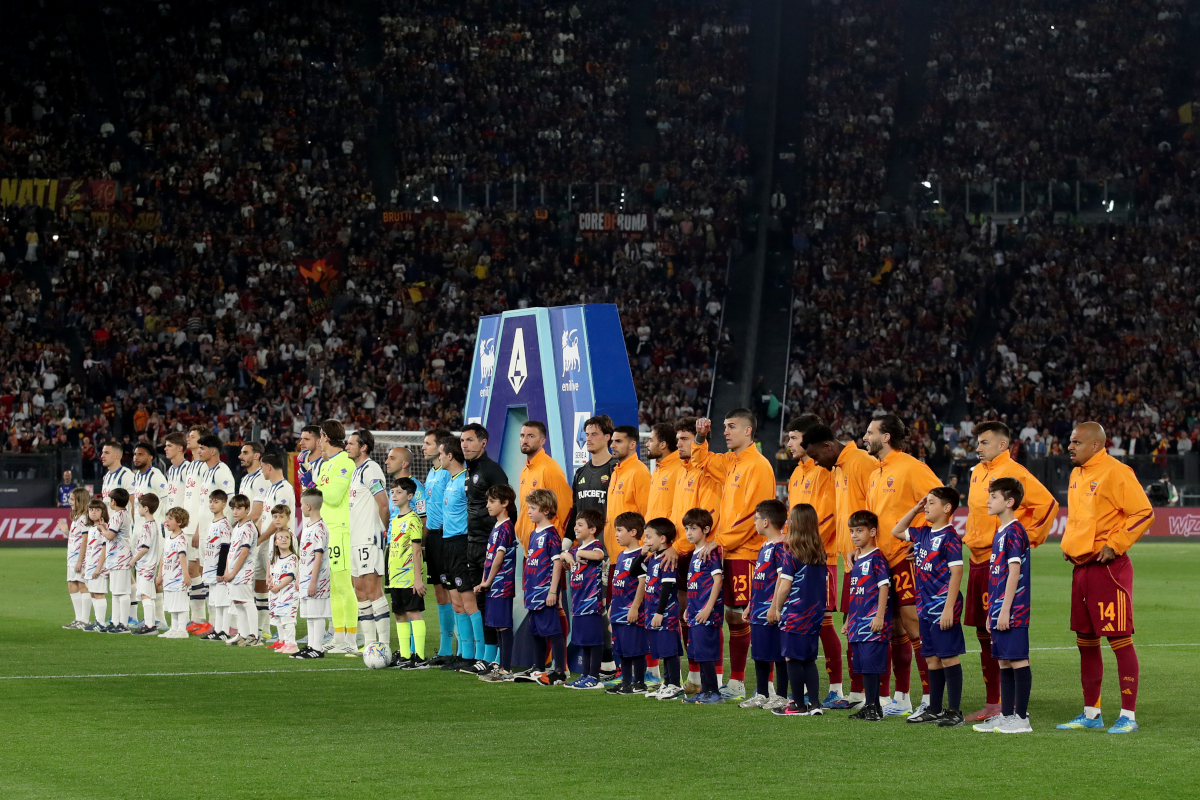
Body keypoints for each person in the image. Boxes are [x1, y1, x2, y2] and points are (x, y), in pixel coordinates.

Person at [1056, 422, 1154, 735]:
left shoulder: (1116, 472)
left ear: (1096, 445)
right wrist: (1070, 544)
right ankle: (1091, 712)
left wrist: (1117, 543)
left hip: (1108, 569)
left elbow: (1143, 512)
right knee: (1085, 642)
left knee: (1119, 640)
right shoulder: (1076, 474)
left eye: (1076, 442)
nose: (1069, 446)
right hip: (1081, 568)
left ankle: (1128, 715)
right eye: (1070, 441)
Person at [963, 421, 1058, 722]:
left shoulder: (1015, 473)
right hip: (977, 560)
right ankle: (995, 704)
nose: (978, 447)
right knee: (983, 631)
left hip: (998, 562)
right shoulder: (977, 473)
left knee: (998, 631)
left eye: (985, 442)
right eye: (977, 442)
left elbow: (1048, 505)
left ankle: (1006, 706)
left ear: (1002, 445)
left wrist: (1022, 540)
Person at [693, 411, 776, 702]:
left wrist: (719, 541)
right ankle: (738, 682)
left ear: (748, 430)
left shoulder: (759, 466)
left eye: (731, 427)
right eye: (724, 427)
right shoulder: (731, 462)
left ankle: (769, 687)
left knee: (753, 617)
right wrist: (702, 437)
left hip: (747, 552)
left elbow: (755, 513)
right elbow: (701, 461)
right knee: (733, 616)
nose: (725, 432)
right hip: (729, 551)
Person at [863, 414, 941, 717]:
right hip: (881, 562)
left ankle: (930, 697)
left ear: (886, 437)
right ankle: (903, 696)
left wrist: (921, 540)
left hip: (905, 559)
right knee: (894, 630)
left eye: (870, 432)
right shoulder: (875, 473)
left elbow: (939, 500)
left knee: (914, 627)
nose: (865, 437)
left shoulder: (910, 467)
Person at [802, 423, 877, 710]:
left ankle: (886, 696)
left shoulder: (860, 462)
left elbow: (876, 507)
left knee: (879, 629)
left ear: (828, 447)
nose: (814, 462)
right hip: (852, 561)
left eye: (815, 455)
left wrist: (869, 550)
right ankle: (858, 694)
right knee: (854, 629)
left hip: (869, 560)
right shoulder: (838, 468)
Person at [891, 488, 967, 727]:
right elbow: (896, 531)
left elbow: (957, 572)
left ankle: (954, 711)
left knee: (948, 657)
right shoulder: (922, 533)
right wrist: (915, 508)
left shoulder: (950, 537)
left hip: (943, 606)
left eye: (931, 503)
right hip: (924, 606)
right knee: (932, 658)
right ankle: (934, 708)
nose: (925, 506)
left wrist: (948, 608)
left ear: (946, 508)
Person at [784, 413, 843, 707]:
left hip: (821, 559)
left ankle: (836, 689)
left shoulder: (824, 473)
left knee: (823, 622)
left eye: (794, 437)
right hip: (799, 556)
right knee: (807, 623)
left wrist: (805, 547)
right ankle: (809, 687)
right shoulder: (797, 474)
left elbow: (830, 518)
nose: (789, 443)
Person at [972, 477, 1033, 734]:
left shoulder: (1015, 531)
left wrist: (1006, 608)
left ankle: (1021, 719)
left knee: (1018, 661)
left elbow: (1014, 571)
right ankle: (1006, 715)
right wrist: (992, 611)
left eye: (994, 496)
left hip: (1014, 608)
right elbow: (997, 575)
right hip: (999, 608)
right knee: (1004, 662)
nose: (988, 500)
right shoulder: (1000, 531)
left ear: (1009, 502)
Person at [670, 416, 723, 694]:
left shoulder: (708, 472)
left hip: (698, 553)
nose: (678, 444)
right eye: (678, 439)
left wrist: (679, 548)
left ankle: (719, 677)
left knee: (710, 615)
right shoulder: (683, 470)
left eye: (685, 439)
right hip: (679, 550)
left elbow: (707, 518)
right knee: (686, 614)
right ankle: (694, 676)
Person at [769, 502, 829, 716]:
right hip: (814, 614)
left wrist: (776, 608)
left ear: (795, 523)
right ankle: (815, 703)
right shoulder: (819, 553)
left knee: (792, 659)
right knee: (809, 659)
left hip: (794, 613)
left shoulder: (791, 553)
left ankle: (797, 704)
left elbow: (784, 586)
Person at [460, 423, 508, 669]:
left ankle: (498, 657)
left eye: (469, 440)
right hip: (473, 542)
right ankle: (486, 655)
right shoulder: (470, 470)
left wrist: (500, 538)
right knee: (480, 600)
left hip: (491, 543)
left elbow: (506, 504)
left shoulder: (492, 470)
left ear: (483, 442)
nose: (465, 445)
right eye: (463, 441)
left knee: (494, 600)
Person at [438, 434, 485, 674]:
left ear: (449, 455)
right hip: (447, 544)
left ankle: (478, 655)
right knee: (456, 602)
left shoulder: (466, 480)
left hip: (461, 544)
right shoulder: (449, 479)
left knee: (469, 601)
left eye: (440, 453)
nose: (438, 457)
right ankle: (464, 654)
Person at [739, 499, 788, 710]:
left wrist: (774, 606)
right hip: (758, 608)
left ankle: (782, 695)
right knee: (759, 653)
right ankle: (761, 693)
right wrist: (751, 604)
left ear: (766, 522)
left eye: (756, 518)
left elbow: (781, 579)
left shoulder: (780, 547)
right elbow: (760, 579)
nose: (754, 522)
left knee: (777, 654)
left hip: (771, 611)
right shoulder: (764, 547)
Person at [842, 510, 891, 722]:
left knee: (872, 666)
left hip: (872, 621)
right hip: (857, 622)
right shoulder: (857, 559)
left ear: (872, 532)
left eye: (859, 530)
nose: (854, 535)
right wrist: (847, 620)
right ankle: (871, 706)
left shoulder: (877, 558)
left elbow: (884, 587)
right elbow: (855, 593)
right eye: (852, 531)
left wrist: (879, 616)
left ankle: (873, 706)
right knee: (861, 666)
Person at [515, 488, 567, 686]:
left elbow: (556, 563)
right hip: (533, 592)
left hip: (545, 592)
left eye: (533, 508)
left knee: (553, 632)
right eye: (529, 507)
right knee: (535, 631)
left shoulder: (551, 534)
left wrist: (553, 590)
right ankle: (538, 668)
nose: (528, 511)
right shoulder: (533, 533)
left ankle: (560, 671)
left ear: (545, 510)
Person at [345, 430, 390, 650]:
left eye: (351, 443)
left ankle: (384, 645)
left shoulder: (371, 469)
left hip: (368, 539)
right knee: (360, 592)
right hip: (356, 539)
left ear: (363, 447)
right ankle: (371, 645)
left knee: (373, 590)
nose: (347, 446)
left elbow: (383, 503)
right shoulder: (356, 472)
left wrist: (381, 532)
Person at [316, 420, 356, 654]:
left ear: (326, 437)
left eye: (320, 436)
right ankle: (339, 637)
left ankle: (351, 641)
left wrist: (316, 485)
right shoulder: (325, 464)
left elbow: (331, 497)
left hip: (340, 530)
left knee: (343, 585)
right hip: (327, 530)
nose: (319, 441)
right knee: (333, 587)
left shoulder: (344, 463)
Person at [191, 434, 235, 636]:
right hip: (208, 533)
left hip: (219, 536)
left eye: (202, 448)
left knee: (220, 579)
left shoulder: (222, 472)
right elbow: (204, 506)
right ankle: (215, 626)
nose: (198, 451)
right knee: (210, 578)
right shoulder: (206, 472)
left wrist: (224, 529)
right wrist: (200, 529)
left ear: (213, 451)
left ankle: (225, 626)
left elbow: (229, 503)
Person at [681, 508, 725, 705]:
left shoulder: (710, 553)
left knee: (706, 654)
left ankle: (714, 693)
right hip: (695, 612)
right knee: (699, 652)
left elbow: (717, 581)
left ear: (706, 529)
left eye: (693, 528)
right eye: (686, 528)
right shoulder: (695, 553)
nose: (688, 532)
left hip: (707, 613)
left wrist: (708, 608)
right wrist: (689, 607)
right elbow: (695, 584)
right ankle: (705, 691)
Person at [478, 484, 519, 682]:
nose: (488, 505)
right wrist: (484, 581)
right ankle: (501, 667)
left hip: (502, 584)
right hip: (494, 583)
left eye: (492, 501)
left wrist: (488, 581)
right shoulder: (497, 526)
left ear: (505, 504)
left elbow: (499, 557)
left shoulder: (506, 527)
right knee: (498, 626)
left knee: (503, 626)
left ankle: (506, 669)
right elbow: (490, 557)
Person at [421, 428, 456, 665]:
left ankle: (459, 646)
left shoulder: (446, 474)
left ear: (440, 446)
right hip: (433, 537)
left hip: (446, 536)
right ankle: (445, 648)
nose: (423, 447)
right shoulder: (431, 473)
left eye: (427, 443)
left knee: (453, 591)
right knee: (439, 591)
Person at [605, 510, 648, 695]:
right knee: (621, 649)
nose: (616, 534)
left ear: (633, 532)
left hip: (631, 611)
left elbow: (642, 582)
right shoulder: (621, 555)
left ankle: (639, 683)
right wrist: (612, 606)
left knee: (635, 649)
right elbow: (617, 583)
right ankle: (625, 681)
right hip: (618, 610)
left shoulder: (641, 555)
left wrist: (635, 607)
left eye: (619, 530)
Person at [642, 517, 684, 700]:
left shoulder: (668, 558)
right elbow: (635, 571)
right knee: (661, 650)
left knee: (669, 650)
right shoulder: (653, 558)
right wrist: (643, 553)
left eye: (649, 537)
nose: (645, 541)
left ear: (663, 538)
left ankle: (674, 685)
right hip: (653, 611)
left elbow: (667, 587)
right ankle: (666, 684)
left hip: (665, 612)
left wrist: (660, 612)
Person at [255, 452, 296, 642]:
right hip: (270, 543)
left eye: (262, 466)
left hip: (282, 545)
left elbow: (279, 521)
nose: (261, 470)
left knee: (283, 588)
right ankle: (266, 628)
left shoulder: (284, 490)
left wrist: (261, 538)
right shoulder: (271, 489)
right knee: (267, 584)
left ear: (269, 467)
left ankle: (285, 634)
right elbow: (266, 518)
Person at [386, 480, 427, 669]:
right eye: (392, 492)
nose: (394, 495)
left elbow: (417, 551)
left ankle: (419, 657)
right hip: (395, 576)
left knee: (413, 612)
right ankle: (404, 655)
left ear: (409, 496)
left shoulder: (413, 519)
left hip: (409, 576)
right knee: (399, 614)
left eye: (399, 492)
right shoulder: (395, 520)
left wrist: (418, 579)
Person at [565, 508, 607, 690]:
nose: (575, 528)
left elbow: (598, 556)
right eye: (575, 524)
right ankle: (585, 674)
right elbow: (562, 554)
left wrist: (578, 554)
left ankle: (594, 677)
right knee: (583, 641)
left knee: (593, 641)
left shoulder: (594, 546)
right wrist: (569, 554)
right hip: (578, 602)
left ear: (592, 529)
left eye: (580, 525)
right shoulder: (577, 549)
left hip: (591, 603)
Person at [515, 420, 574, 549]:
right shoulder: (525, 470)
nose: (525, 440)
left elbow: (566, 509)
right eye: (522, 436)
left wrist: (568, 547)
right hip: (529, 548)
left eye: (531, 436)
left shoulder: (550, 469)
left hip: (548, 550)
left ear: (542, 441)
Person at [563, 415, 615, 552]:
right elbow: (575, 510)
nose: (589, 439)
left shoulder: (617, 469)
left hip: (610, 548)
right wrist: (566, 543)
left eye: (594, 434)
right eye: (587, 434)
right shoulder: (580, 472)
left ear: (607, 437)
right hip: (584, 549)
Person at [131, 442, 169, 630]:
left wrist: (165, 526)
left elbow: (166, 501)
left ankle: (159, 619)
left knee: (153, 576)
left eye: (140, 454)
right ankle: (151, 618)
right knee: (142, 574)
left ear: (150, 457)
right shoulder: (137, 476)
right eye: (135, 454)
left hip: (154, 533)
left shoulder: (156, 476)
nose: (136, 457)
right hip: (139, 530)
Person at [237, 442, 271, 643]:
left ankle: (261, 628)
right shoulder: (245, 479)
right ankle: (259, 628)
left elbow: (256, 513)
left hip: (259, 537)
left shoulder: (261, 479)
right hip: (249, 536)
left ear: (257, 455)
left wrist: (240, 532)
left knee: (261, 582)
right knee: (256, 583)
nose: (241, 456)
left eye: (245, 452)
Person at [293, 488, 333, 659]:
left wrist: (312, 581)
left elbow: (318, 556)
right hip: (306, 577)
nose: (300, 507)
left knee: (316, 614)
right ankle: (311, 646)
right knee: (309, 614)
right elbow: (304, 555)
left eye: (301, 504)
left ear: (308, 506)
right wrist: (300, 577)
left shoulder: (319, 528)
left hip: (316, 579)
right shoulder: (309, 526)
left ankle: (318, 648)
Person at [100, 441, 135, 627]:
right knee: (118, 582)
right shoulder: (107, 477)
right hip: (110, 531)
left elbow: (133, 503)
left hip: (120, 535)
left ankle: (128, 617)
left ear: (117, 455)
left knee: (125, 581)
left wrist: (134, 528)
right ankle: (117, 619)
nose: (102, 456)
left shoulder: (127, 475)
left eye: (106, 452)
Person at [221, 494, 259, 646]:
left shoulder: (248, 528)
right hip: (234, 571)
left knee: (247, 601)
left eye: (239, 508)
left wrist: (232, 572)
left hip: (243, 571)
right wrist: (226, 570)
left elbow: (244, 553)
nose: (235, 512)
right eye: (232, 508)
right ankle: (242, 634)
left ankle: (255, 636)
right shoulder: (237, 526)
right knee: (237, 602)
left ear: (247, 509)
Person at [200, 489, 233, 641]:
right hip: (210, 568)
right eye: (211, 501)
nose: (212, 504)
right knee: (215, 602)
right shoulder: (212, 523)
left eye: (216, 502)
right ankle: (217, 629)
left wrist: (221, 571)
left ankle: (224, 631)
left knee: (222, 602)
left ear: (224, 504)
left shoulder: (224, 524)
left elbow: (225, 548)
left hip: (219, 569)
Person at [99, 488, 134, 634]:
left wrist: (102, 529)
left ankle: (123, 624)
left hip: (120, 557)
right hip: (117, 558)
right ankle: (115, 621)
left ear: (113, 501)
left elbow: (110, 535)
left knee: (122, 592)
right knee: (115, 591)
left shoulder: (117, 516)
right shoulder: (124, 514)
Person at [130, 494, 163, 635]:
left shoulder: (147, 527)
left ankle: (150, 626)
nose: (137, 508)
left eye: (139, 506)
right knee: (147, 594)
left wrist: (133, 560)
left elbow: (144, 547)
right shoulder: (153, 525)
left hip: (145, 565)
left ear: (146, 508)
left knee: (145, 595)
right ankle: (150, 623)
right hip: (149, 564)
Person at [61, 487, 92, 629]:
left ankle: (85, 620)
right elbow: (75, 539)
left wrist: (80, 560)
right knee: (72, 585)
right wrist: (66, 531)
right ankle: (78, 618)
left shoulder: (85, 518)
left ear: (81, 500)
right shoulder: (76, 518)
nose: (70, 502)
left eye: (73, 499)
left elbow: (85, 541)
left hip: (81, 558)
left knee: (82, 585)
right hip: (72, 558)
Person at [158, 508, 191, 639]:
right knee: (172, 604)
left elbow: (182, 557)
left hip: (178, 577)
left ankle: (182, 629)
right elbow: (163, 557)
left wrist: (186, 575)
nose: (167, 521)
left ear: (179, 522)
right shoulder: (168, 538)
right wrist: (160, 574)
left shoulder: (181, 539)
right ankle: (174, 628)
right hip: (168, 577)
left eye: (170, 519)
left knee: (180, 604)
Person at [268, 526, 300, 655]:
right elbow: (273, 575)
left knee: (288, 620)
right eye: (280, 537)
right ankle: (286, 642)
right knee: (280, 620)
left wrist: (278, 587)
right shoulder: (275, 559)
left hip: (288, 594)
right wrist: (271, 583)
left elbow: (290, 576)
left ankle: (292, 644)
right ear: (275, 542)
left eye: (287, 537)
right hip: (276, 595)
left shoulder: (293, 558)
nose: (284, 540)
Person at [80, 499, 111, 632]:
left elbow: (105, 549)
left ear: (103, 512)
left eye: (97, 510)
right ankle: (97, 620)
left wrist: (98, 568)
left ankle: (101, 622)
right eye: (91, 510)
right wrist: (86, 567)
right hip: (90, 566)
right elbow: (90, 549)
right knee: (93, 593)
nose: (93, 512)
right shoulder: (92, 528)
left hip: (99, 566)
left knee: (99, 593)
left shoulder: (103, 528)